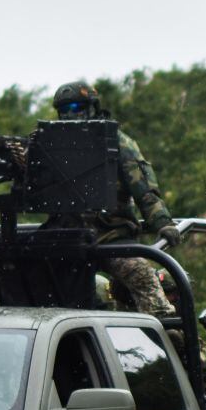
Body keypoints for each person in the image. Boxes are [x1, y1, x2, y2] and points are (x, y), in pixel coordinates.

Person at [50, 81, 175, 319]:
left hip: (112, 238)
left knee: (142, 276)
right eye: (64, 110)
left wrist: (163, 222)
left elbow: (143, 188)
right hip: (67, 238)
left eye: (77, 107)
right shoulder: (50, 143)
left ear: (92, 107)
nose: (70, 115)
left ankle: (170, 337)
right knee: (37, 284)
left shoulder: (116, 142)